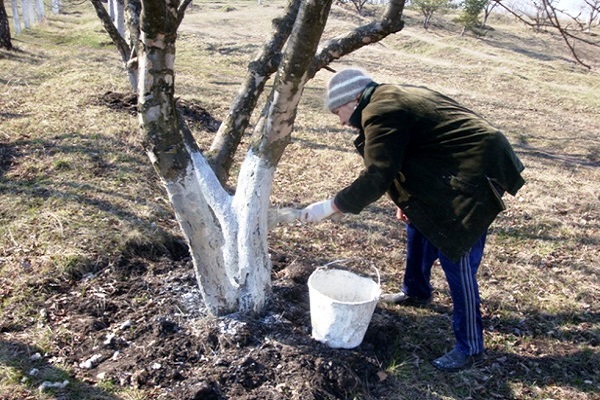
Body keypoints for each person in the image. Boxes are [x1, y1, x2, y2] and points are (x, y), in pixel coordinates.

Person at [300, 68, 525, 372]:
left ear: (353, 99)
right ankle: (416, 291)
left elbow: (379, 173)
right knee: (418, 222)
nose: (340, 122)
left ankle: (470, 347)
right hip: (450, 166)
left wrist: (332, 206)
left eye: (338, 112)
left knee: (455, 252)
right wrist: (407, 199)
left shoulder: (381, 110)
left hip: (476, 168)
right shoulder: (385, 99)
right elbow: (407, 153)